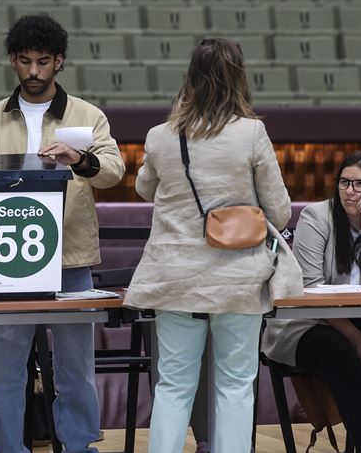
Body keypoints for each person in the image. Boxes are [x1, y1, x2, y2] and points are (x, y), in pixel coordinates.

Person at [124, 38, 292, 452]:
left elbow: (145, 189)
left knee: (174, 384)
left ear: (190, 80)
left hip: (176, 279)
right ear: (239, 79)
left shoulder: (161, 136)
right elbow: (281, 211)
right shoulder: (252, 133)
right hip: (237, 279)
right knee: (235, 384)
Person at [0, 14, 125, 453]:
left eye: (42, 62)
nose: (34, 72)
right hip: (7, 260)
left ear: (59, 61)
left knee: (76, 366)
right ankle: (8, 448)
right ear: (12, 62)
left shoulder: (88, 115)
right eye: (24, 62)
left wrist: (78, 158)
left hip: (69, 257)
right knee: (5, 368)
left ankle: (79, 446)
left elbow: (113, 171)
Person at [262, 151, 361, 453]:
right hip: (306, 321)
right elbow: (308, 286)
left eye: (360, 184)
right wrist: (351, 333)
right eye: (345, 183)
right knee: (342, 354)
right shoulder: (316, 216)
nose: (351, 191)